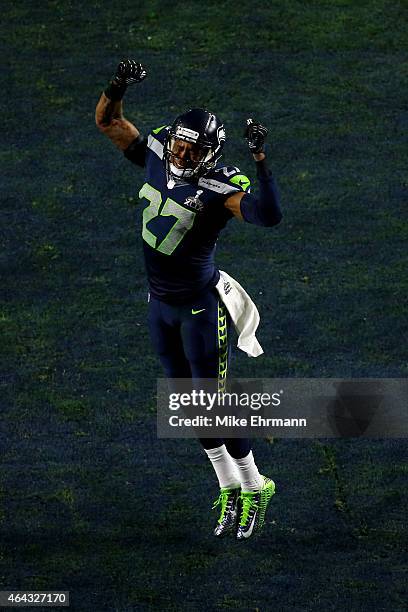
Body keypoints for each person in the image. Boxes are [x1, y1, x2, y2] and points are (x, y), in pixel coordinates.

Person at [95, 60, 282, 540]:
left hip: (201, 306)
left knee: (212, 404)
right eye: (177, 141)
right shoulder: (159, 149)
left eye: (189, 147)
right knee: (185, 402)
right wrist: (118, 86)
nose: (178, 150)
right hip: (159, 301)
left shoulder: (219, 186)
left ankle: (256, 482)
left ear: (208, 153)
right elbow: (109, 122)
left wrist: (261, 160)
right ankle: (227, 485)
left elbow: (268, 216)